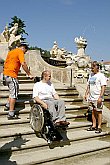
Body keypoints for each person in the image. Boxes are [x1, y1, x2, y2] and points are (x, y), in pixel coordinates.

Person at [3, 43, 33, 119]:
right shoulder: (20, 51)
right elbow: (23, 64)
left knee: (12, 91)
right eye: (25, 52)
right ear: (23, 48)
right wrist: (29, 74)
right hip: (12, 75)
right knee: (14, 94)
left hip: (6, 74)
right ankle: (11, 114)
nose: (24, 53)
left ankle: (7, 105)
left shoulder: (11, 52)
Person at [84, 61, 107, 133]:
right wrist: (86, 94)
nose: (91, 69)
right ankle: (94, 125)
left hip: (98, 97)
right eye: (91, 67)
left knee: (99, 112)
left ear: (97, 67)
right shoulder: (91, 75)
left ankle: (99, 126)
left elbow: (103, 87)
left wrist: (100, 97)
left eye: (93, 67)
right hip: (91, 97)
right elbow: (88, 85)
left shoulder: (101, 76)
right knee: (93, 111)